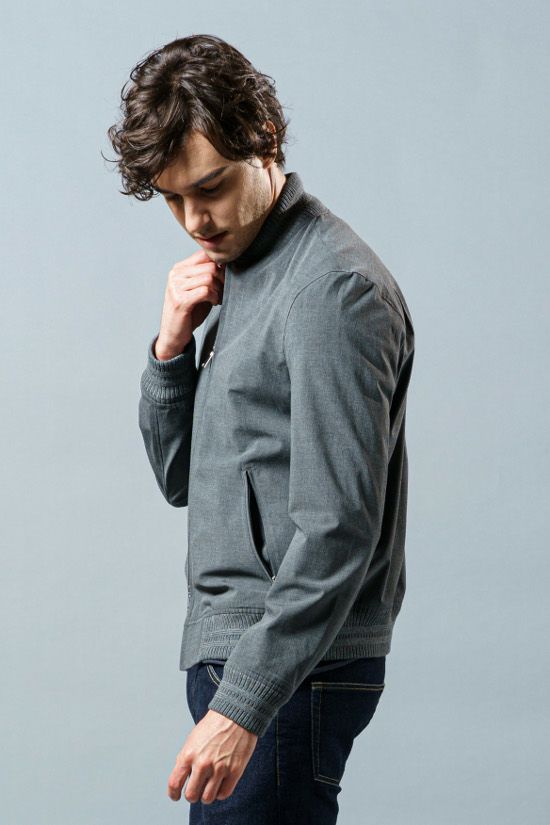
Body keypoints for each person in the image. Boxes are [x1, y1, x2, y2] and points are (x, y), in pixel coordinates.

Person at [106, 33, 415, 824]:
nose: (193, 219)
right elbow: (183, 477)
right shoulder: (242, 272)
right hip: (247, 656)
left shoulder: (330, 290)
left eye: (209, 187)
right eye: (172, 199)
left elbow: (339, 526)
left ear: (265, 139)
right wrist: (170, 350)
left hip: (287, 670)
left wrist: (244, 701)